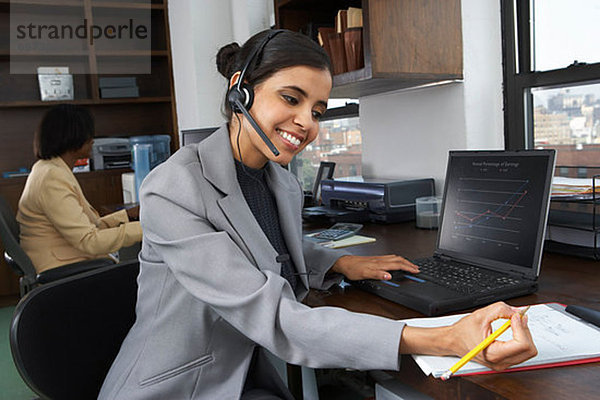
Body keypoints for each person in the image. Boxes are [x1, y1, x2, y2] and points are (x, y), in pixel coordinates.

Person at [99, 29, 537, 399]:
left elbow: (259, 243)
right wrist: (441, 338)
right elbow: (271, 313)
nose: (305, 122)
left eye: (317, 111)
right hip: (180, 384)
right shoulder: (173, 188)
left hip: (248, 373)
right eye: (291, 98)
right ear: (240, 88)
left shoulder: (279, 180)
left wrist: (337, 261)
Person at [17, 104, 142, 273]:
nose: (93, 140)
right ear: (72, 136)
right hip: (61, 268)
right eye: (89, 134)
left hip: (66, 257)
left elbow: (89, 226)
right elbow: (89, 241)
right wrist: (147, 227)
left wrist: (127, 215)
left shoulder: (49, 169)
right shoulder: (51, 178)